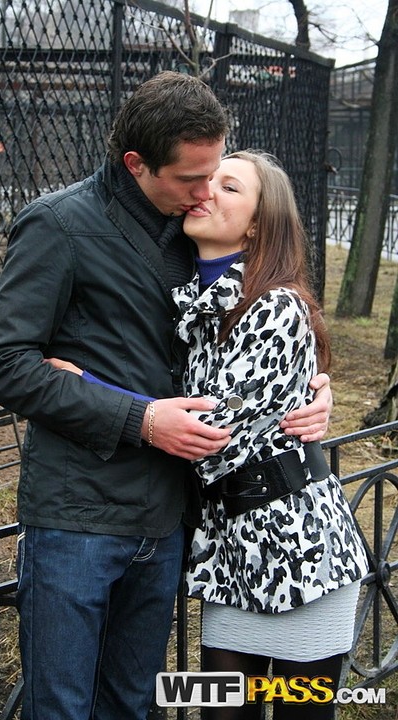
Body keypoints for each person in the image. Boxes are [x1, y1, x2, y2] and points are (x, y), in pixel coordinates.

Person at [0, 73, 332, 720]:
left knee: (131, 704)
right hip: (77, 517)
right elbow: (2, 365)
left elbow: (252, 329)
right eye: (191, 179)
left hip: (166, 519)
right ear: (136, 164)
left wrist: (306, 381)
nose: (204, 194)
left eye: (216, 175)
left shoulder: (194, 236)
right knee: (59, 706)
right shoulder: (60, 224)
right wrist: (138, 418)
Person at [170, 150, 368, 720]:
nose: (207, 191)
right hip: (230, 555)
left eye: (229, 187)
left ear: (257, 225)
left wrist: (92, 392)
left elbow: (211, 433)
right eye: (207, 180)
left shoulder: (276, 308)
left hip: (300, 551)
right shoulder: (196, 302)